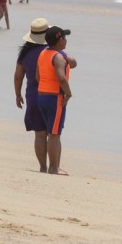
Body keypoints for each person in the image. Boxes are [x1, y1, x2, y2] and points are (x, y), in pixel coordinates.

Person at [37, 26, 76, 176]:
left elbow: (38, 76)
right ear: (59, 40)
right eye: (64, 38)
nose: (66, 40)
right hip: (55, 98)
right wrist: (68, 93)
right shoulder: (58, 57)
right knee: (54, 134)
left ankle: (53, 166)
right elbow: (61, 78)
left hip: (42, 96)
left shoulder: (43, 53)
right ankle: (54, 168)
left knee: (52, 132)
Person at [14, 19, 53, 172]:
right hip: (50, 94)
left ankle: (43, 167)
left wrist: (17, 95)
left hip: (32, 96)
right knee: (53, 134)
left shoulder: (25, 53)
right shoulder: (51, 51)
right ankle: (54, 166)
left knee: (39, 134)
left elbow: (18, 76)